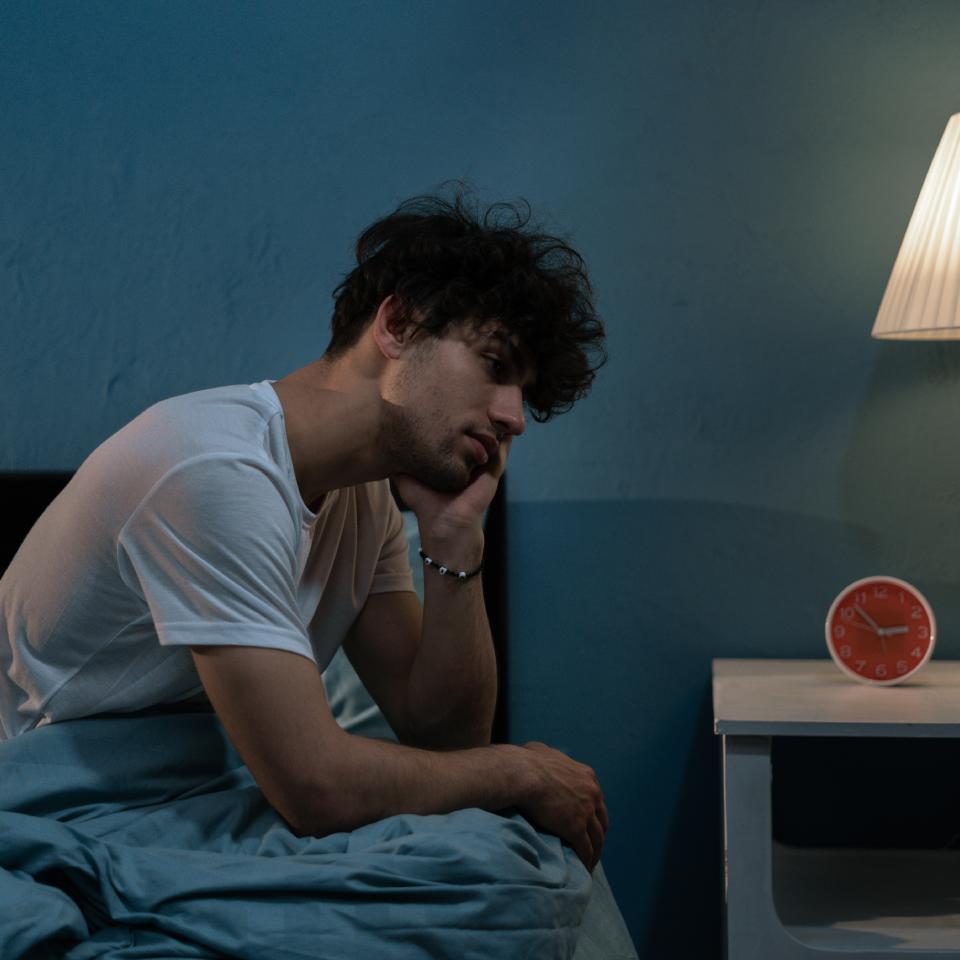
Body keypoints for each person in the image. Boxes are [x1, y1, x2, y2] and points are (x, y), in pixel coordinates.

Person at [0, 184, 609, 872]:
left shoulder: (364, 503)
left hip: (183, 802)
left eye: (521, 393)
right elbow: (314, 787)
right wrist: (518, 772)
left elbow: (445, 736)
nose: (514, 417)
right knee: (496, 877)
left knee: (503, 869)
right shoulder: (212, 469)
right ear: (397, 326)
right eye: (496, 367)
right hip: (50, 798)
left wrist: (455, 537)